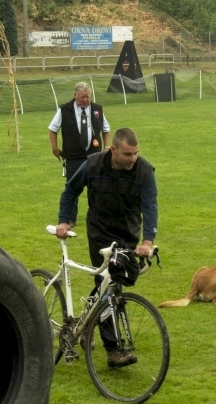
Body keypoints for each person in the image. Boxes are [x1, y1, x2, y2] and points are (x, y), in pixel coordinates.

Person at [56, 128, 157, 368]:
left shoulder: (144, 171)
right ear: (113, 150)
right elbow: (71, 191)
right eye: (127, 154)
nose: (132, 158)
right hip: (99, 232)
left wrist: (147, 241)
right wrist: (64, 220)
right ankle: (113, 350)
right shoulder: (92, 165)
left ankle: (85, 323)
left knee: (114, 282)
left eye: (135, 153)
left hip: (128, 235)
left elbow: (150, 206)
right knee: (110, 284)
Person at [48, 81, 111, 227]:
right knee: (72, 187)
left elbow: (106, 129)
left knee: (96, 187)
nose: (86, 100)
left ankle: (96, 216)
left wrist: (106, 146)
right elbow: (52, 129)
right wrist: (55, 148)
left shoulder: (97, 109)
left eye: (88, 97)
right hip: (73, 156)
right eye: (83, 97)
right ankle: (70, 218)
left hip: (94, 155)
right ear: (75, 95)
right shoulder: (65, 110)